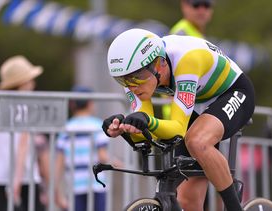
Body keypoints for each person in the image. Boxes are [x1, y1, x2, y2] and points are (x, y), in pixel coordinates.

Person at [102, 28, 255, 211]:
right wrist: (126, 126)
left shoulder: (186, 60)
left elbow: (176, 130)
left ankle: (234, 207)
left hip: (233, 92)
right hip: (198, 103)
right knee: (187, 200)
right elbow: (144, 134)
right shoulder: (133, 77)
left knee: (197, 141)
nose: (132, 86)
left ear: (159, 64)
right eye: (123, 80)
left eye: (138, 77)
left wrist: (147, 121)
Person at [0, 55, 45, 211]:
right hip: (24, 177)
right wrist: (16, 180)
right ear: (23, 82)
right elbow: (23, 145)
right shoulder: (27, 107)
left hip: (2, 175)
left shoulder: (2, 107)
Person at [55, 86, 112, 211]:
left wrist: (56, 191)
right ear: (90, 103)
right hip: (96, 183)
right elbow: (103, 156)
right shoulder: (98, 126)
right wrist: (119, 164)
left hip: (74, 185)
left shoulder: (66, 128)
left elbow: (59, 162)